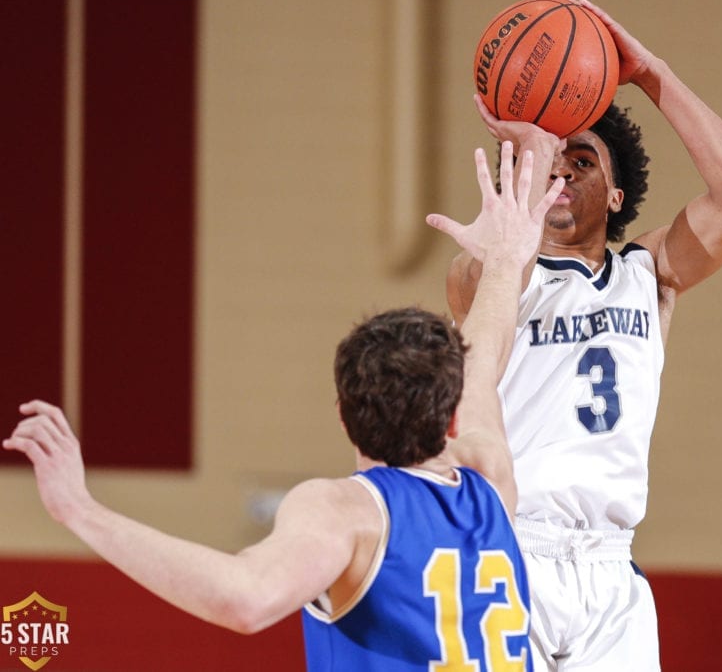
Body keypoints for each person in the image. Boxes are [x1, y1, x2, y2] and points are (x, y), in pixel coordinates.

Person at [4, 142, 565, 671]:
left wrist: (80, 509)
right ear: (451, 418)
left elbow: (245, 600)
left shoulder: (346, 511)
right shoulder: (489, 479)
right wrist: (506, 257)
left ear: (344, 415)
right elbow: (485, 354)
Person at [444, 0, 722, 671]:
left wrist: (651, 74)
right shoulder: (490, 273)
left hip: (610, 566)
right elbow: (488, 275)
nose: (560, 169)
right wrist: (531, 150)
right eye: (546, 160)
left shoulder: (649, 274)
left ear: (618, 195)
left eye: (581, 159)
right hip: (512, 544)